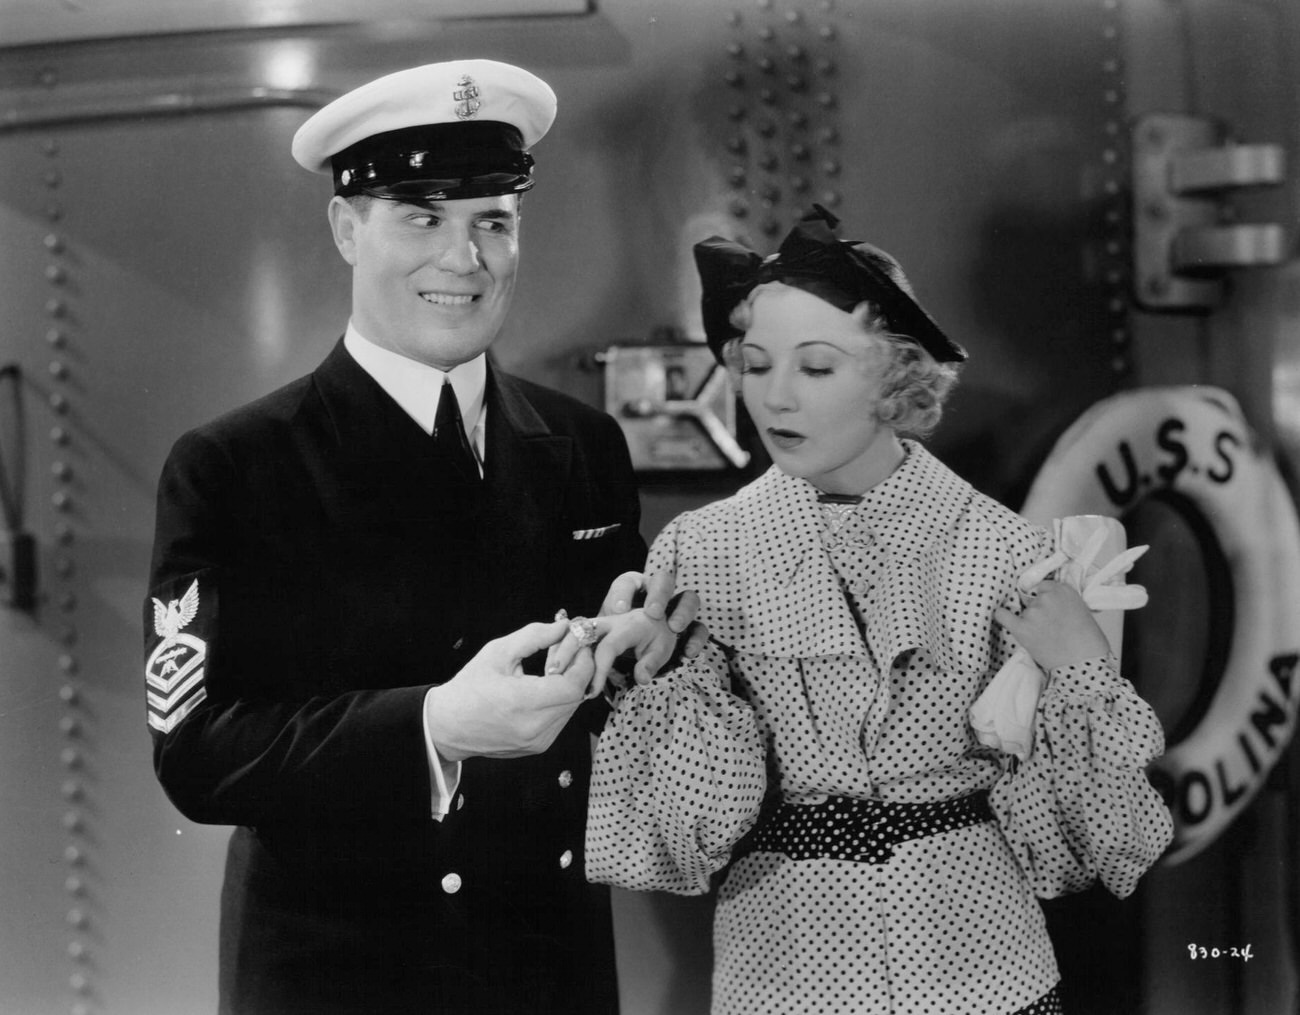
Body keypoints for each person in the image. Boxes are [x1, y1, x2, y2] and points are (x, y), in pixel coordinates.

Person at [143, 59, 698, 1015]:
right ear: (345, 228)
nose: (464, 258)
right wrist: (435, 727)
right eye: (421, 217)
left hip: (548, 965)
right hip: (343, 976)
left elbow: (615, 685)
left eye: (494, 221)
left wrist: (639, 650)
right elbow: (197, 751)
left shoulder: (580, 443)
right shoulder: (236, 466)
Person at [584, 206, 1175, 1014]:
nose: (775, 398)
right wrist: (662, 676)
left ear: (896, 376)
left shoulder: (1006, 550)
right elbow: (682, 837)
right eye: (755, 365)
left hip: (982, 975)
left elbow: (1099, 847)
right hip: (782, 975)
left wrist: (1082, 670)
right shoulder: (701, 552)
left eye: (816, 367)